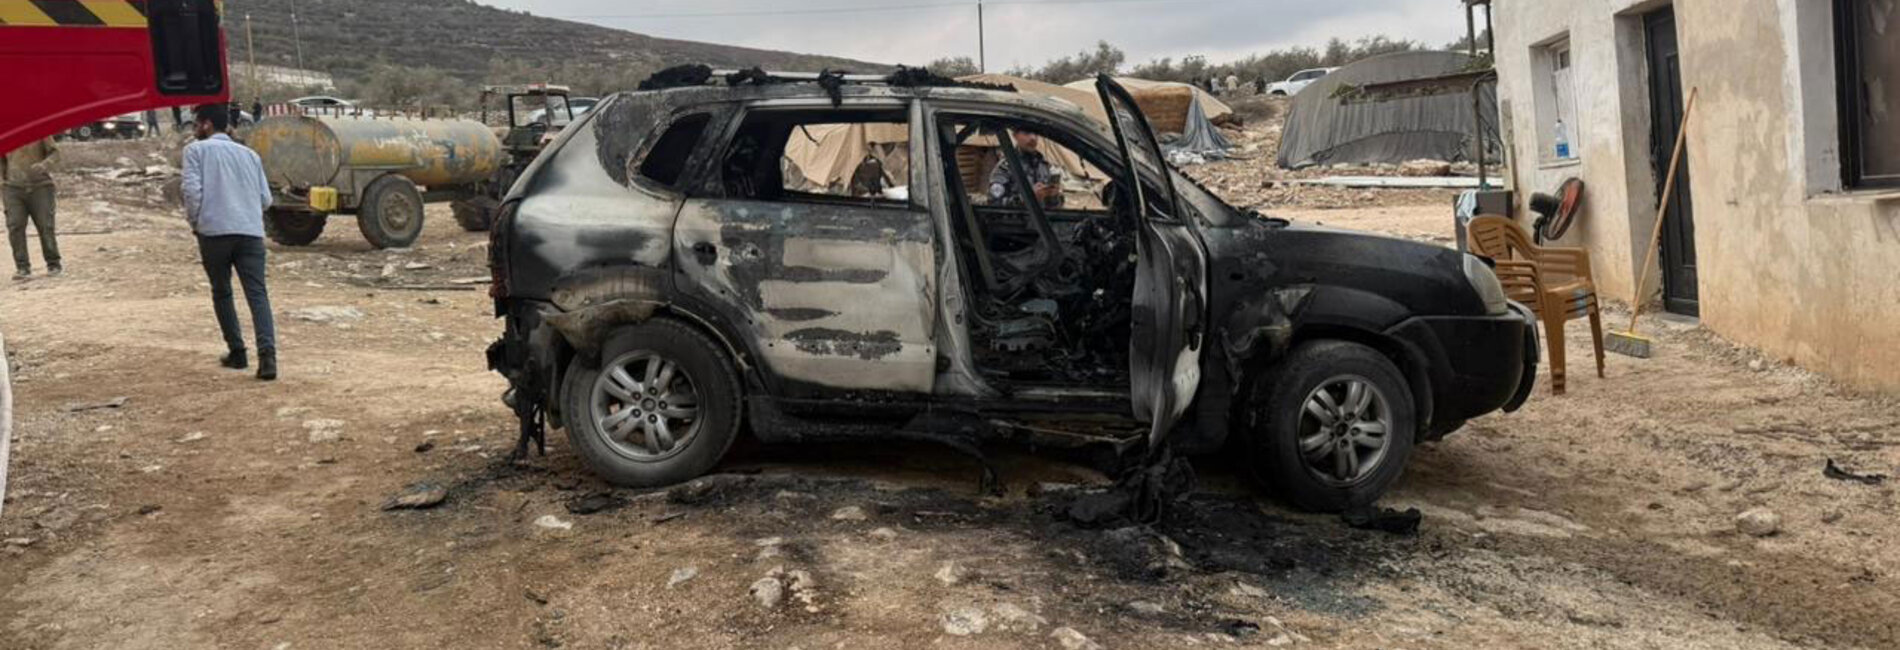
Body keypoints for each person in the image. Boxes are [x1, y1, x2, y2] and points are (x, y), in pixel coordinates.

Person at [182, 104, 278, 380]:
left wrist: (196, 222)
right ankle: (268, 357)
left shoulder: (195, 151)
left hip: (214, 232)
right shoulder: (250, 155)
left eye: (196, 123)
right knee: (257, 294)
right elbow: (266, 200)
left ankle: (237, 352)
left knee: (222, 292)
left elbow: (191, 192)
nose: (195, 128)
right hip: (249, 231)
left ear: (207, 124)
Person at [1, 138, 62, 279]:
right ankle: (22, 267)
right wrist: (3, 181)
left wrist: (45, 165)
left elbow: (55, 153)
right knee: (15, 225)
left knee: (45, 225)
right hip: (12, 188)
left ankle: (53, 263)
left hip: (40, 186)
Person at [988, 130, 1063, 209]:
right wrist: (1026, 199)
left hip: (1040, 220)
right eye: (1026, 133)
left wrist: (1053, 196)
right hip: (1017, 220)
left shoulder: (1044, 166)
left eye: (1036, 133)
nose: (1033, 138)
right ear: (1015, 135)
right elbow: (994, 204)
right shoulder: (1006, 168)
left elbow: (1053, 207)